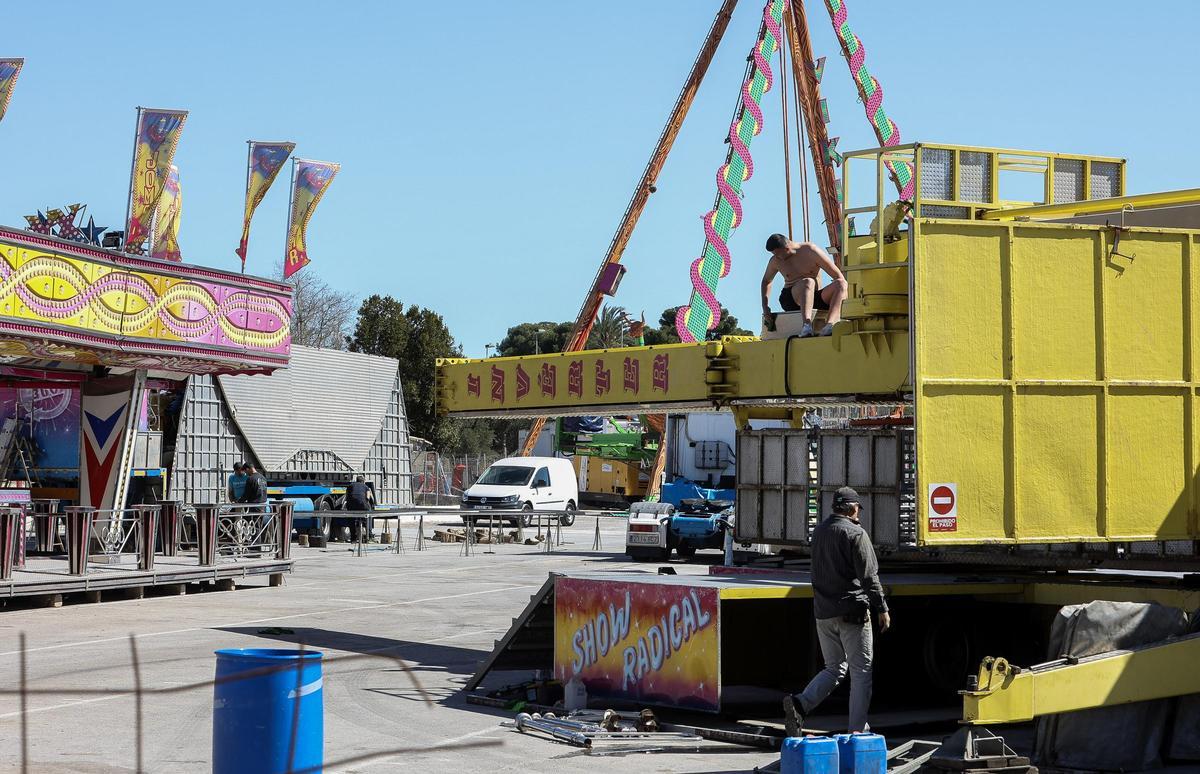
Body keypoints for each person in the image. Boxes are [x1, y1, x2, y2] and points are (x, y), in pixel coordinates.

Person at [783, 486, 890, 736]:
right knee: (861, 672)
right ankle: (857, 733)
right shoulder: (856, 534)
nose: (858, 513)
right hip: (852, 612)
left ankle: (800, 703)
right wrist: (882, 608)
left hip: (823, 612)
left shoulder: (819, 532)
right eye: (857, 509)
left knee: (834, 667)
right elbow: (869, 577)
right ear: (852, 508)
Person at [760, 233, 848, 337]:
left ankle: (830, 324)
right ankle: (806, 325)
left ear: (787, 248)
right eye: (774, 255)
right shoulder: (775, 261)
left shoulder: (810, 251)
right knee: (808, 282)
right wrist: (765, 306)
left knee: (841, 283)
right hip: (792, 299)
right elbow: (766, 281)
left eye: (778, 254)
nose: (777, 257)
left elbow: (837, 276)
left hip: (816, 297)